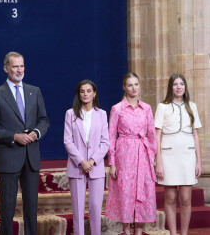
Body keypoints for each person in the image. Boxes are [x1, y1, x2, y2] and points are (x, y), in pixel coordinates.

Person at [0, 51, 50, 235]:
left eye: (21, 66)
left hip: (31, 157)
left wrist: (36, 133)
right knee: (7, 207)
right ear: (5, 69)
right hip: (9, 157)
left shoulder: (34, 91)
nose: (19, 70)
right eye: (15, 66)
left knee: (31, 207)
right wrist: (14, 136)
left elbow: (43, 120)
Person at [105, 72, 157, 235]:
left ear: (139, 86)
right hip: (124, 155)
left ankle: (139, 232)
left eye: (136, 84)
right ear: (124, 87)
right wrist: (112, 162)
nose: (133, 88)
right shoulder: (117, 108)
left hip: (143, 154)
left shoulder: (147, 108)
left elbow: (152, 135)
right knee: (125, 192)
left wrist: (151, 157)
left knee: (144, 190)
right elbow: (111, 136)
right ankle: (126, 231)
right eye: (130, 85)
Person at [155, 73, 202, 235]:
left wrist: (199, 162)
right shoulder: (162, 107)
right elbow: (157, 135)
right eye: (175, 84)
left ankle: (184, 233)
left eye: (181, 84)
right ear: (171, 87)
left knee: (186, 199)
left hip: (188, 156)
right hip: (168, 156)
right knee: (169, 198)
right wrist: (158, 162)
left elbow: (195, 135)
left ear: (185, 87)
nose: (179, 87)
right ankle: (173, 233)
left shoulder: (192, 106)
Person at [64, 80, 110, 235]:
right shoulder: (70, 114)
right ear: (79, 94)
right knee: (77, 209)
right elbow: (68, 141)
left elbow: (105, 142)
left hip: (95, 167)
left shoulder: (102, 114)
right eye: (82, 91)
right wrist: (82, 161)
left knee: (96, 207)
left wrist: (92, 161)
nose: (85, 94)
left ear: (94, 93)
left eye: (89, 91)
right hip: (77, 167)